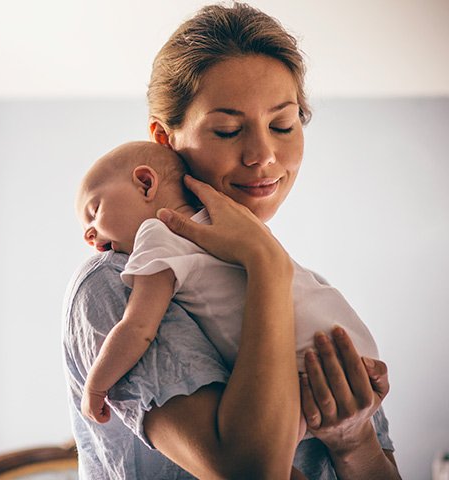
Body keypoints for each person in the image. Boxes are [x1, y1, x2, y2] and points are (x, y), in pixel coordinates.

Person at [62, 3, 401, 479]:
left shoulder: (309, 295)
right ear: (164, 139)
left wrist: (354, 441)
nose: (262, 156)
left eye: (283, 125)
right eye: (227, 130)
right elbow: (250, 471)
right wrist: (266, 264)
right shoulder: (118, 279)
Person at [75, 141, 380, 441]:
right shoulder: (235, 225)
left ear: (145, 184)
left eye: (95, 210)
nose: (89, 234)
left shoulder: (157, 233)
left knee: (268, 454)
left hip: (304, 356)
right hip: (349, 344)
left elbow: (139, 326)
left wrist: (96, 386)